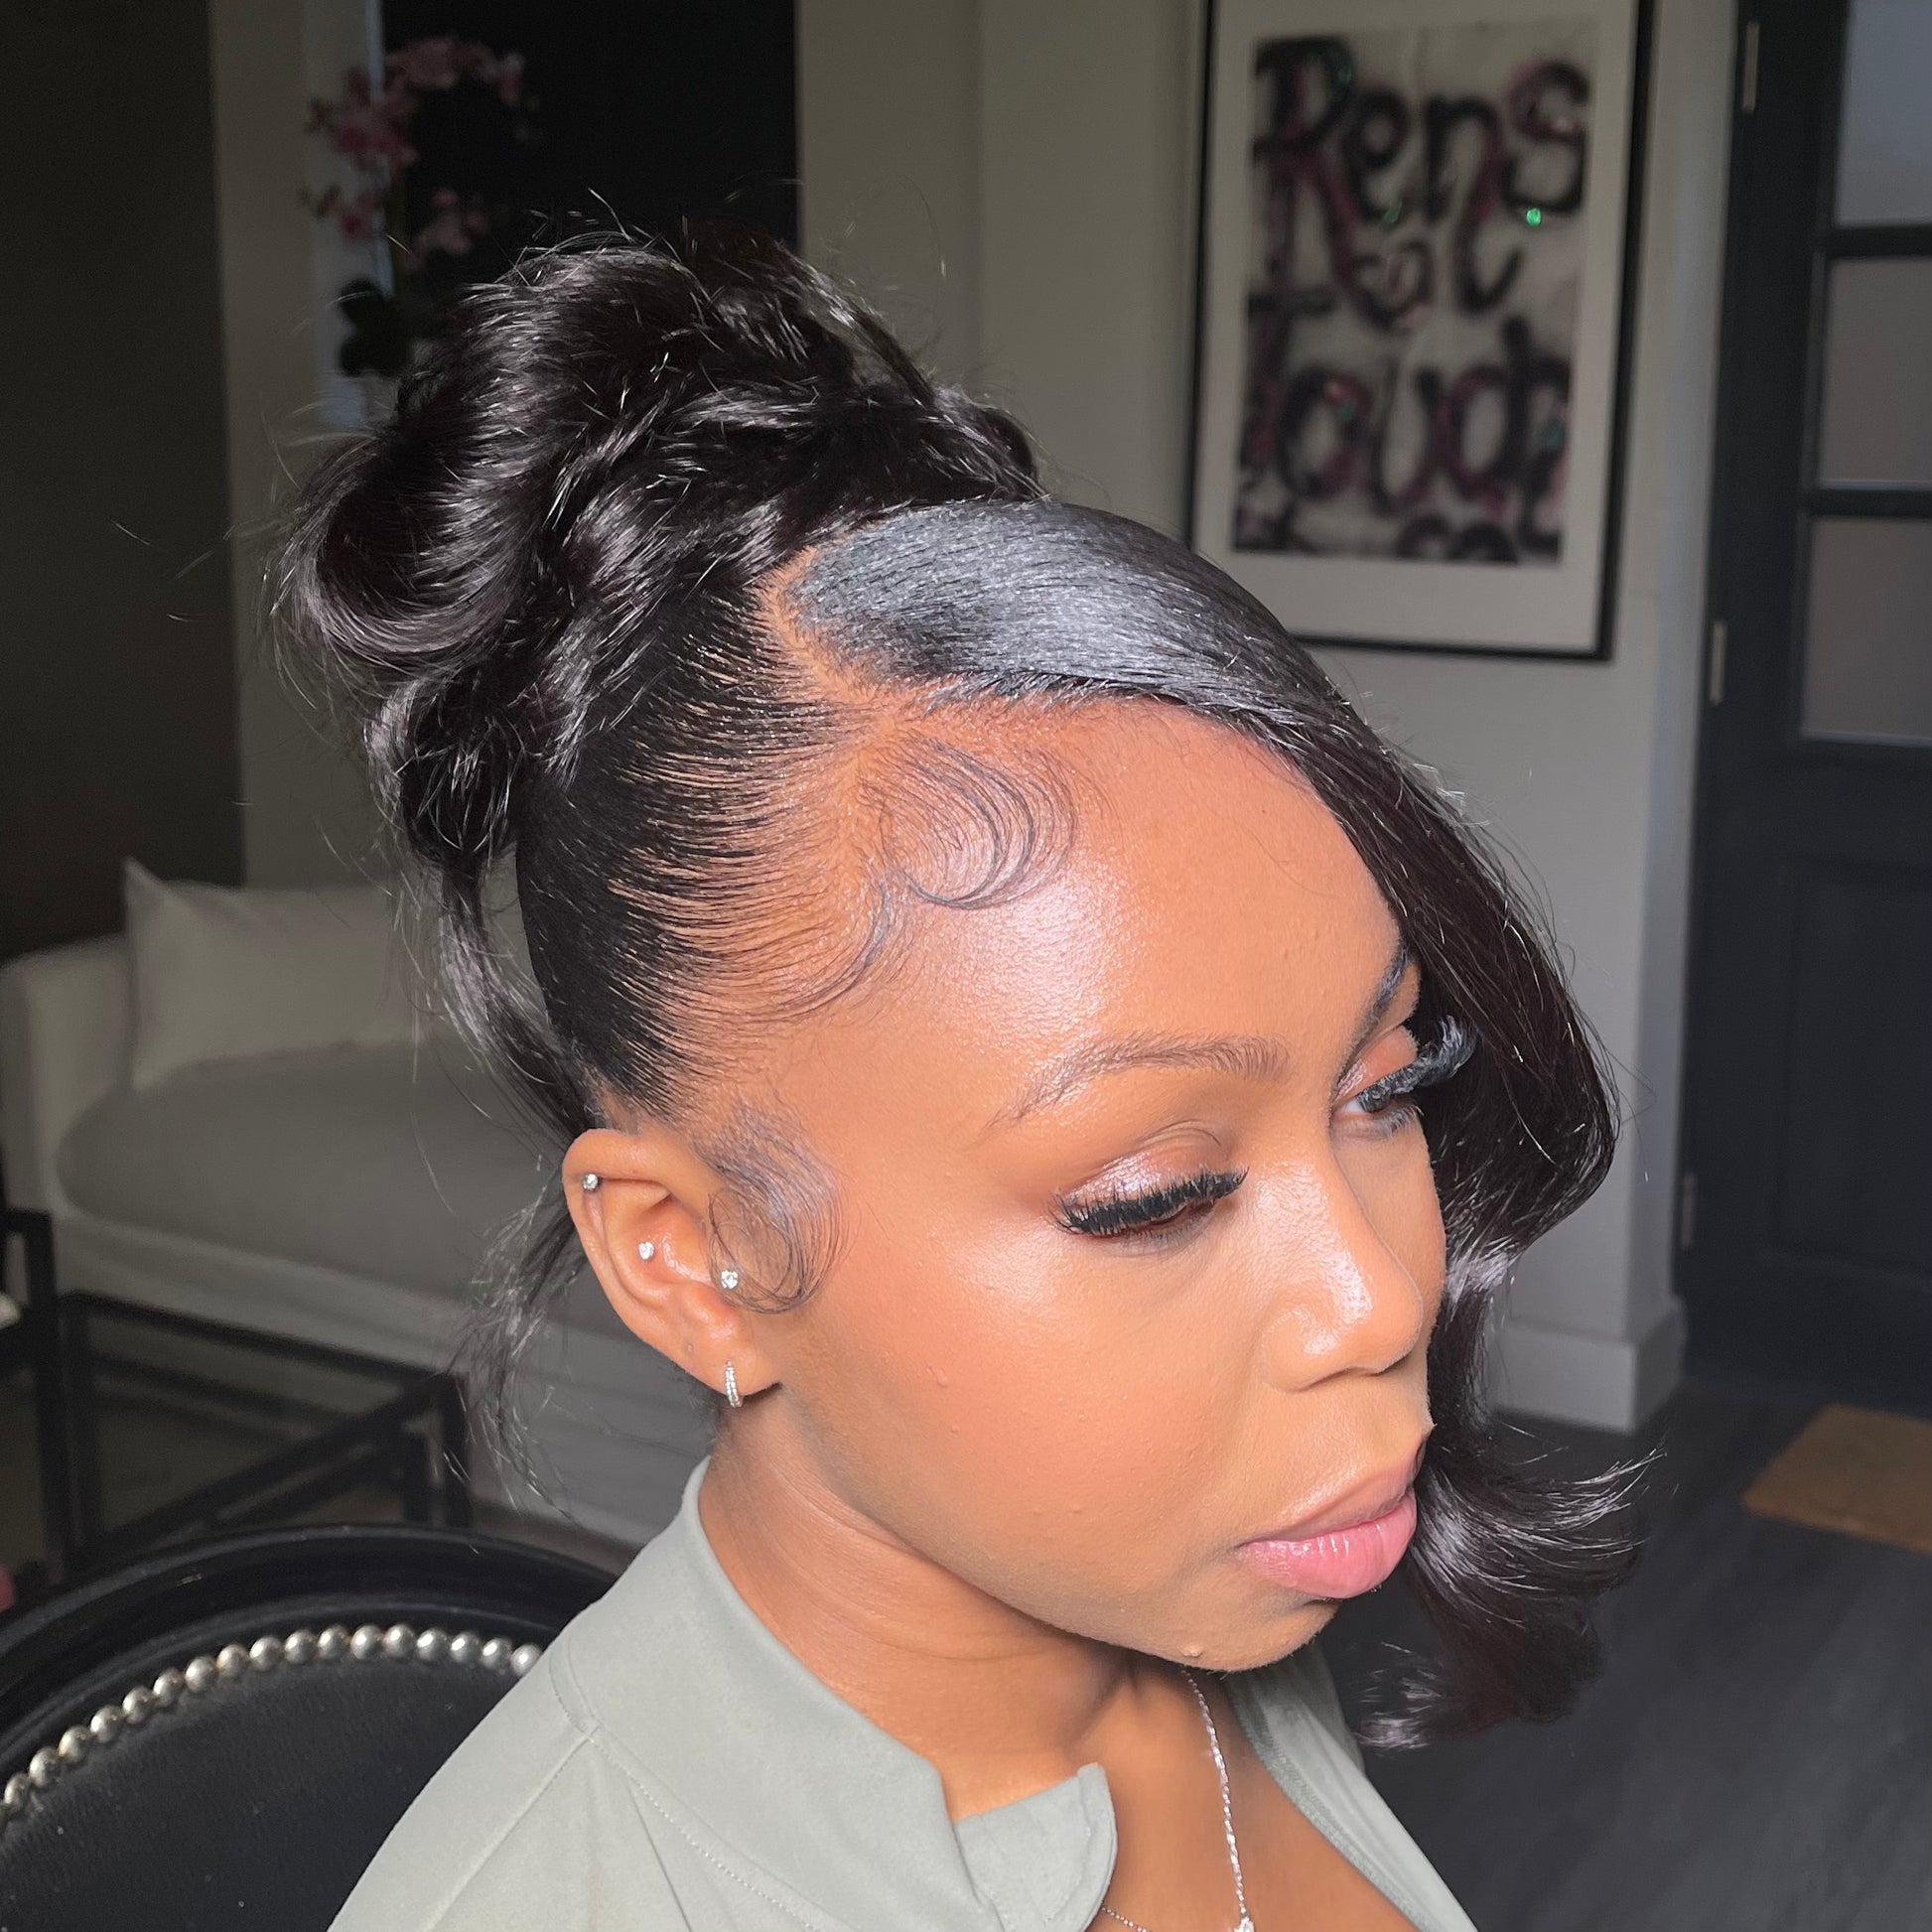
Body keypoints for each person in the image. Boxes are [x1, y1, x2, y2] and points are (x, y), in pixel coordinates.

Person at [288, 229, 1632, 1932]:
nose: (1380, 1295)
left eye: (1384, 1082)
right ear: (691, 1259)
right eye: (1154, 1195)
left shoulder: (1177, 1585)